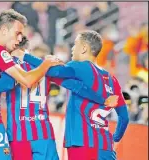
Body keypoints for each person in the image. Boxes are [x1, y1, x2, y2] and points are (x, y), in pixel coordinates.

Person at [0, 36, 118, 160]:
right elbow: (77, 87)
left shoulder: (11, 68)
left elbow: (5, 84)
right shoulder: (45, 69)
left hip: (19, 136)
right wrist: (102, 100)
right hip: (43, 133)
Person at [0, 9, 62, 160]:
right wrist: (45, 64)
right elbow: (27, 80)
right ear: (4, 30)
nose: (19, 39)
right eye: (17, 33)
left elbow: (7, 82)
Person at [23, 30, 129, 160]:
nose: (72, 48)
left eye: (75, 44)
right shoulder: (113, 80)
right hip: (106, 147)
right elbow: (124, 117)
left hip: (82, 144)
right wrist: (116, 139)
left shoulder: (79, 66)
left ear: (84, 48)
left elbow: (53, 71)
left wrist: (24, 55)